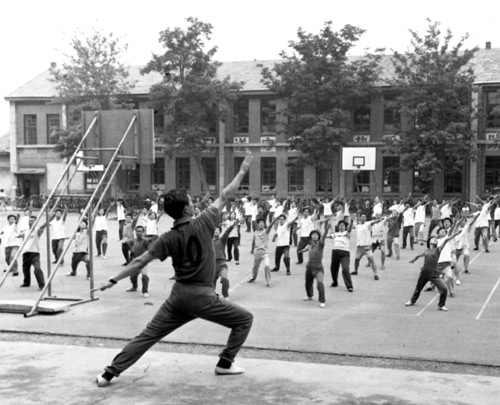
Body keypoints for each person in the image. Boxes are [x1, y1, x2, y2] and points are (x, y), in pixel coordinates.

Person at [93, 152, 254, 387]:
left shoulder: (166, 238)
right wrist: (242, 170)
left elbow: (139, 262)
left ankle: (108, 374)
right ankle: (225, 363)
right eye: (191, 201)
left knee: (148, 336)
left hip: (178, 297)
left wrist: (113, 279)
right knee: (245, 320)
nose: (194, 203)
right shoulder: (206, 221)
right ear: (188, 210)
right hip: (203, 296)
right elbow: (225, 195)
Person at [405, 223, 462, 311]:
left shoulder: (438, 249)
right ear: (430, 242)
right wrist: (413, 260)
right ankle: (412, 301)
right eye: (433, 239)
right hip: (424, 272)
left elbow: (446, 240)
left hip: (433, 273)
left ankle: (441, 305)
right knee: (418, 288)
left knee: (443, 289)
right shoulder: (426, 250)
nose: (435, 239)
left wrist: (455, 234)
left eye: (436, 239)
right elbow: (419, 255)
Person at [300, 220, 330, 308]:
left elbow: (323, 238)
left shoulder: (320, 244)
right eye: (313, 234)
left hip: (318, 267)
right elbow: (306, 249)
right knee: (308, 282)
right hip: (309, 265)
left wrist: (326, 231)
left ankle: (322, 300)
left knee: (320, 282)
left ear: (318, 236)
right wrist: (301, 251)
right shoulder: (310, 244)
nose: (314, 236)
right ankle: (309, 295)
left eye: (316, 235)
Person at [351, 213, 386, 280]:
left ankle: (375, 274)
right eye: (362, 217)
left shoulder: (368, 224)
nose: (363, 218)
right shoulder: (358, 226)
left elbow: (374, 222)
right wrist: (352, 220)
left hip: (367, 247)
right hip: (359, 247)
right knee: (356, 260)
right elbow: (352, 227)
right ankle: (355, 271)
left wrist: (379, 220)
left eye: (364, 217)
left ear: (366, 218)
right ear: (360, 218)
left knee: (372, 259)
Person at [19, 216, 47, 290]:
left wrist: (46, 222)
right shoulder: (25, 231)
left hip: (34, 253)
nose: (31, 222)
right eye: (30, 221)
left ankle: (42, 285)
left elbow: (42, 227)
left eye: (33, 221)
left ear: (36, 222)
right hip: (25, 252)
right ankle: (26, 282)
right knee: (25, 269)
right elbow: (22, 236)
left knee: (37, 269)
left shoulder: (37, 230)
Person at [248, 216, 278, 286]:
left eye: (263, 223)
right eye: (260, 223)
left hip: (265, 253)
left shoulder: (266, 231)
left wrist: (274, 221)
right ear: (258, 224)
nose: (261, 224)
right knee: (255, 267)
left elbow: (270, 226)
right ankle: (253, 277)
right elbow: (253, 241)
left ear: (264, 224)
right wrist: (252, 250)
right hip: (257, 253)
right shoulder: (255, 232)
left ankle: (268, 282)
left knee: (267, 265)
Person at [125, 225, 153, 298]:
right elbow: (126, 243)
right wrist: (130, 248)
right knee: (132, 277)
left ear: (143, 232)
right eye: (137, 231)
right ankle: (134, 287)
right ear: (135, 232)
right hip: (135, 262)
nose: (139, 233)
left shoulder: (146, 240)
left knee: (145, 276)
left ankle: (145, 291)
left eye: (140, 231)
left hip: (144, 262)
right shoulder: (133, 240)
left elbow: (150, 249)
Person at [329, 220, 353, 292]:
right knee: (333, 269)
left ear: (345, 227)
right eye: (340, 225)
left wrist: (351, 222)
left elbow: (350, 229)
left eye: (343, 225)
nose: (341, 226)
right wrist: (329, 225)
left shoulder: (347, 233)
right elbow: (330, 233)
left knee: (345, 268)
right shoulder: (335, 234)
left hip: (344, 252)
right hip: (335, 252)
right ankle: (335, 282)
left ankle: (349, 286)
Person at [213, 221, 236, 298]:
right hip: (212, 265)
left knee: (224, 278)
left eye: (218, 230)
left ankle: (225, 296)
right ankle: (213, 295)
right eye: (215, 230)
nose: (216, 231)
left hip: (222, 264)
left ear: (219, 232)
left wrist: (232, 225)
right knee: (210, 283)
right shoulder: (209, 241)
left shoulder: (222, 240)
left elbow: (226, 233)